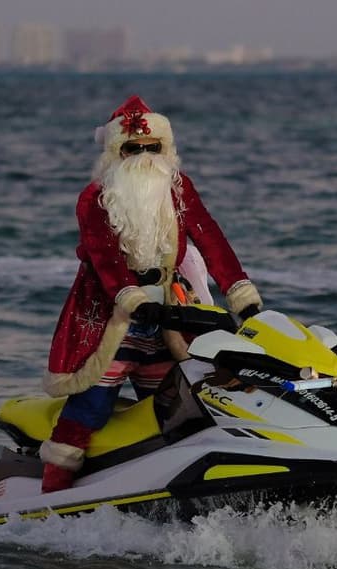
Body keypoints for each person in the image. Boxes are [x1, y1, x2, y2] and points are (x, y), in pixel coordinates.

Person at [40, 95, 262, 493]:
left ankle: (170, 488)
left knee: (178, 409)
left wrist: (239, 292)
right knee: (90, 408)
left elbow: (210, 238)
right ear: (115, 152)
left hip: (169, 319)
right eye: (132, 148)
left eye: (152, 147)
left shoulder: (178, 189)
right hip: (109, 322)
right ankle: (52, 495)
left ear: (166, 149)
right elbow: (105, 259)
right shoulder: (94, 198)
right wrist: (130, 298)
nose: (143, 155)